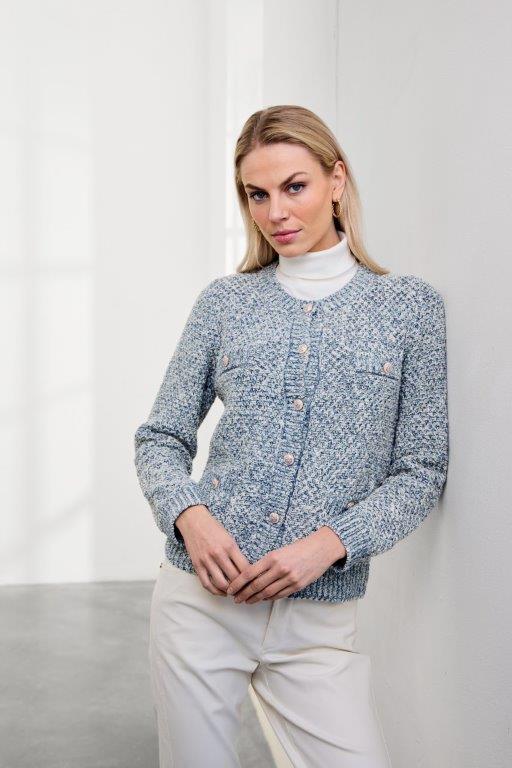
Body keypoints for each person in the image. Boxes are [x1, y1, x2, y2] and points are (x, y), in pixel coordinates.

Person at [133, 104, 449, 768]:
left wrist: (329, 546)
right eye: (257, 194)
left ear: (336, 180)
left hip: (318, 621)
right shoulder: (225, 303)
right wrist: (191, 518)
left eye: (294, 186)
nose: (275, 211)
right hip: (200, 605)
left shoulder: (409, 308)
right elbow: (160, 436)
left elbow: (422, 469)